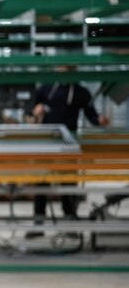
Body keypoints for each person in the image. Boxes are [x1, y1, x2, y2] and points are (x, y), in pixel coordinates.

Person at [26, 76, 109, 238]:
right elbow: (29, 111)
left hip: (68, 144)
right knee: (41, 184)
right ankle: (38, 224)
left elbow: (92, 116)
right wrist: (35, 112)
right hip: (46, 143)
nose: (65, 69)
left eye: (69, 67)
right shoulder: (45, 88)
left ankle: (70, 223)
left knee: (69, 184)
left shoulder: (80, 92)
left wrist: (100, 120)